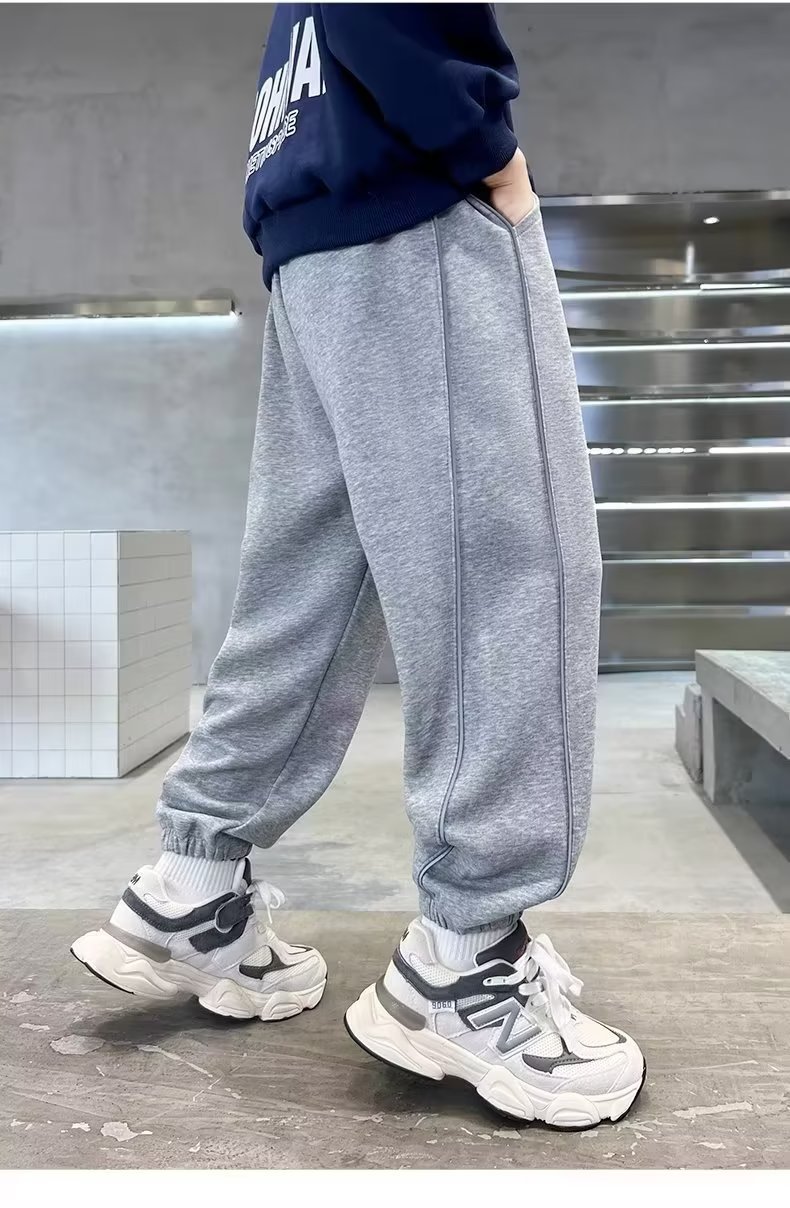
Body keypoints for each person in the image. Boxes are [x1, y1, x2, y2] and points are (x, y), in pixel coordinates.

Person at [72, 3, 645, 1127]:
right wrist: (484, 145)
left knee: (311, 576)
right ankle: (467, 966)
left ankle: (194, 884)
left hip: (313, 209)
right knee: (512, 572)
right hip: (415, 190)